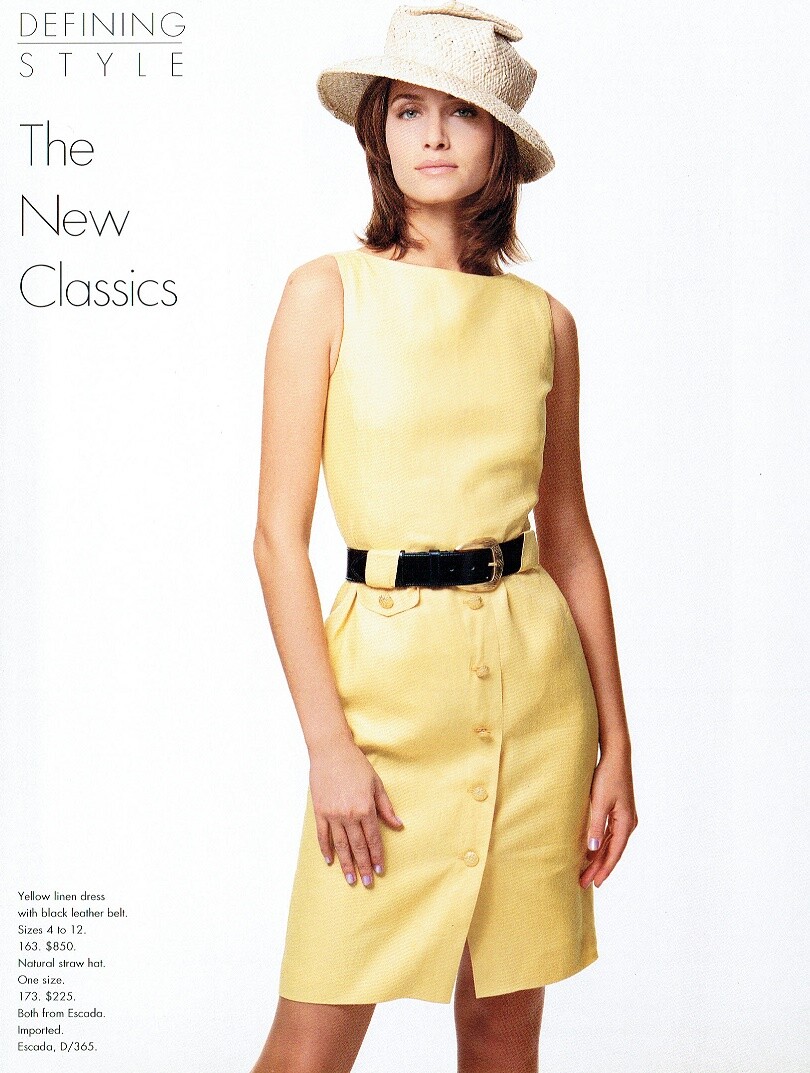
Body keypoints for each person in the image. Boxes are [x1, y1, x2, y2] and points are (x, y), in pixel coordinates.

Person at [250, 3, 638, 1071]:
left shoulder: (543, 321)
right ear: (376, 131)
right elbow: (277, 539)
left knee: (504, 1028)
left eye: (461, 113)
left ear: (499, 141)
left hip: (536, 702)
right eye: (408, 109)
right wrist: (329, 746)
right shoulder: (325, 293)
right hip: (382, 705)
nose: (432, 134)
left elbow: (570, 539)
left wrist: (616, 745)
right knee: (313, 1034)